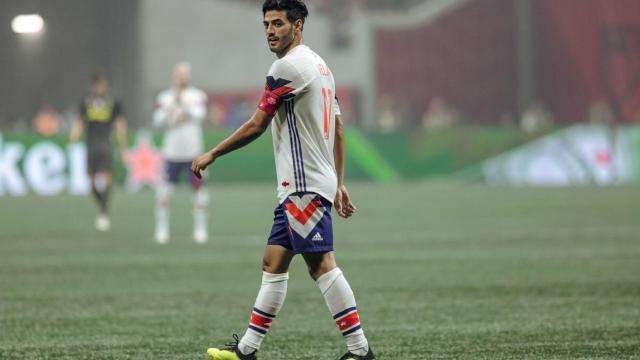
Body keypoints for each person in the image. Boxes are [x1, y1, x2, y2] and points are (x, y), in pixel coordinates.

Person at [192, 1, 375, 359]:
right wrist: (338, 182)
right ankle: (246, 350)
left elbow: (257, 124)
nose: (270, 31)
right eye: (266, 24)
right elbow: (337, 126)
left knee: (321, 265)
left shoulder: (287, 67)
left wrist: (212, 152)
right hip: (303, 187)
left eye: (278, 23)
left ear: (298, 25)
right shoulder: (321, 66)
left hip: (303, 187)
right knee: (273, 262)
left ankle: (360, 350)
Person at [152, 62, 209, 244]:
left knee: (199, 192)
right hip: (171, 153)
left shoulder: (197, 95)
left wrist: (182, 103)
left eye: (184, 74)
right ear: (173, 75)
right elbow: (158, 121)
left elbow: (199, 115)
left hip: (193, 152)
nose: (182, 77)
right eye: (179, 74)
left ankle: (200, 229)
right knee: (164, 193)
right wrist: (172, 105)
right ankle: (162, 230)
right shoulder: (164, 97)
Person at [69, 73, 128, 232]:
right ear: (92, 86)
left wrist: (123, 146)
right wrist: (73, 137)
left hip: (106, 144)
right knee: (92, 183)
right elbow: (79, 121)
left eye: (102, 84)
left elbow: (119, 124)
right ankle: (102, 206)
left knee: (107, 177)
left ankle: (104, 211)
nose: (100, 88)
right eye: (97, 85)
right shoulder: (85, 101)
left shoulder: (113, 101)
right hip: (91, 144)